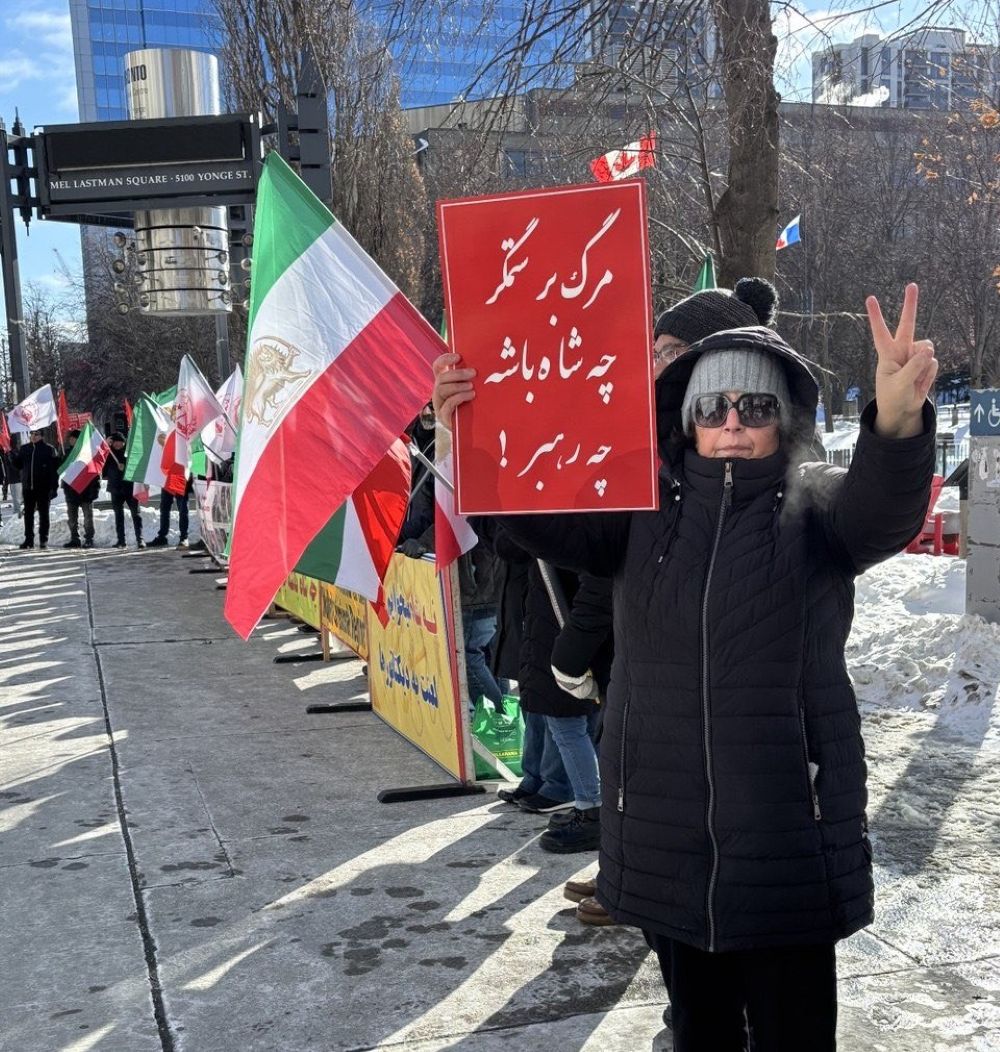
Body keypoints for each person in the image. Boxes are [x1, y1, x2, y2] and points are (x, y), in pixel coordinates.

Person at [433, 283, 938, 1050]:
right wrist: (464, 432)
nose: (732, 424)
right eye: (712, 407)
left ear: (783, 419)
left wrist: (897, 424)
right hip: (665, 839)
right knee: (698, 1033)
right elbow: (530, 515)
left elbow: (883, 510)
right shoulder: (639, 513)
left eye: (755, 407)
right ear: (686, 418)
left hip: (787, 843)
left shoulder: (815, 512)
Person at [14, 429, 59, 550]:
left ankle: (43, 539)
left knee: (44, 514)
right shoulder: (25, 449)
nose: (33, 436)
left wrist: (54, 487)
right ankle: (29, 540)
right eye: (32, 434)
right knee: (28, 514)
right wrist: (11, 455)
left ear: (42, 436)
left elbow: (54, 471)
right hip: (28, 488)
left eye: (36, 434)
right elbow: (18, 465)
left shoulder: (49, 449)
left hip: (43, 488)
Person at [102, 432, 145, 550]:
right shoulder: (108, 453)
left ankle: (140, 539)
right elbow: (102, 469)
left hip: (130, 488)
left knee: (136, 514)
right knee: (118, 515)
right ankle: (121, 540)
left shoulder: (130, 452)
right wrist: (105, 445)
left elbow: (137, 466)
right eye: (115, 442)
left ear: (124, 442)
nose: (117, 444)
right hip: (115, 488)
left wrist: (124, 467)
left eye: (120, 442)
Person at [61, 429, 100, 549]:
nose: (71, 440)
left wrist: (95, 490)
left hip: (86, 491)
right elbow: (63, 471)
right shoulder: (66, 453)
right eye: (70, 438)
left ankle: (89, 539)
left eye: (74, 438)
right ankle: (75, 538)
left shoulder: (88, 454)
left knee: (88, 517)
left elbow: (95, 473)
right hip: (71, 491)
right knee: (72, 518)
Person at [147, 481, 191, 549]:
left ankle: (184, 537)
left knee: (183, 509)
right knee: (164, 509)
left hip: (181, 480)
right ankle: (162, 537)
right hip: (168, 480)